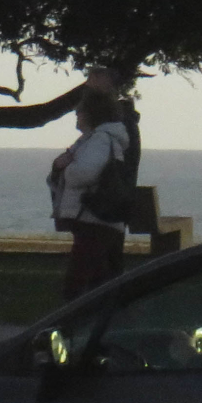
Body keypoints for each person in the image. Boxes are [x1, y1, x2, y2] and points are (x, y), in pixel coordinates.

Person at [48, 92, 131, 298]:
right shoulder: (93, 140)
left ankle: (72, 322)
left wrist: (64, 167)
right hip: (95, 219)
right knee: (98, 279)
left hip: (93, 218)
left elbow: (83, 173)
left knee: (78, 281)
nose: (76, 115)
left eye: (80, 111)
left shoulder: (100, 140)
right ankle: (101, 320)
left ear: (92, 113)